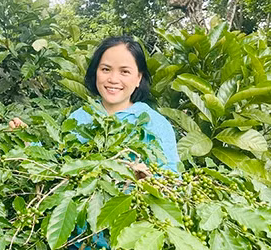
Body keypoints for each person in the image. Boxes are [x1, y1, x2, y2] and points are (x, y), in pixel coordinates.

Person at [10, 36, 180, 173]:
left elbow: (173, 179)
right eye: (105, 69)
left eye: (125, 72)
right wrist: (28, 141)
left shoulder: (155, 124)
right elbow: (58, 166)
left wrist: (147, 181)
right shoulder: (80, 117)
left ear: (138, 78)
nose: (113, 79)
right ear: (95, 72)